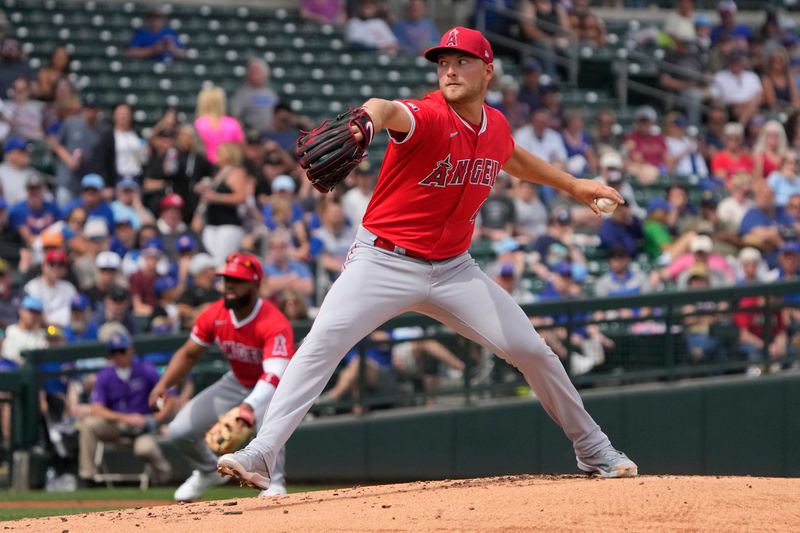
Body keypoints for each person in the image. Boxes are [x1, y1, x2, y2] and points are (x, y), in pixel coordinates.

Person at [214, 27, 636, 492]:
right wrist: (365, 121)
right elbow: (388, 108)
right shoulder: (428, 116)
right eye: (442, 63)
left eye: (462, 61)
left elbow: (510, 156)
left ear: (488, 70)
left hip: (455, 268)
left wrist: (574, 186)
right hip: (383, 261)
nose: (450, 70)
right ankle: (262, 452)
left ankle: (594, 449)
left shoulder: (494, 126)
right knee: (321, 344)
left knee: (532, 350)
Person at [147, 253, 295, 500]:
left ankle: (274, 483)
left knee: (268, 417)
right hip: (236, 381)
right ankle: (208, 471)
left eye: (237, 280)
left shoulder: (274, 322)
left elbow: (274, 375)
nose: (229, 286)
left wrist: (248, 406)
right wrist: (163, 384)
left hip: (271, 387)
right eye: (226, 279)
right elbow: (188, 354)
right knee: (178, 431)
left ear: (256, 284)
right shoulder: (214, 314)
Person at [78, 332, 172, 486]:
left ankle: (165, 479)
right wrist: (125, 418)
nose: (118, 356)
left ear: (131, 350)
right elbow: (97, 409)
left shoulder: (145, 370)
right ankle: (87, 477)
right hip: (115, 426)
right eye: (113, 352)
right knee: (88, 425)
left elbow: (168, 398)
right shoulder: (105, 375)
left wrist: (155, 420)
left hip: (141, 427)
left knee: (146, 449)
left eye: (121, 351)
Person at [194, 143, 250, 265]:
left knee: (223, 262)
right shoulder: (218, 174)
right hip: (212, 224)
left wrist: (216, 197)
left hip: (228, 224)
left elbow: (241, 197)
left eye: (221, 153)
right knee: (212, 261)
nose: (217, 156)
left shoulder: (236, 172)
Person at [23, 249, 78, 328]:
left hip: (68, 332)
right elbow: (34, 316)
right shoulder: (33, 286)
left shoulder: (69, 287)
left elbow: (77, 313)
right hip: (42, 330)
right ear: (43, 266)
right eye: (52, 264)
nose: (56, 267)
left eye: (60, 264)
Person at [193, 87, 245, 166]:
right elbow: (241, 148)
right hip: (229, 165)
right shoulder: (233, 123)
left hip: (206, 166)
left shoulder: (198, 124)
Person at [231, 59, 279, 133]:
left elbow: (278, 112)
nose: (254, 74)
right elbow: (235, 115)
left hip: (271, 132)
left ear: (265, 74)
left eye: (257, 72)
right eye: (252, 72)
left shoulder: (270, 93)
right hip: (252, 134)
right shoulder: (242, 94)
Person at [1, 294, 48, 366]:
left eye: (37, 312)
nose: (33, 315)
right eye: (30, 311)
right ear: (21, 311)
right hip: (14, 370)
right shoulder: (10, 331)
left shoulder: (44, 333)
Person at [0, 137, 34, 206]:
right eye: (21, 151)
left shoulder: (32, 173)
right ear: (9, 155)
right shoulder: (1, 172)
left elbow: (48, 199)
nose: (26, 154)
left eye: (27, 151)